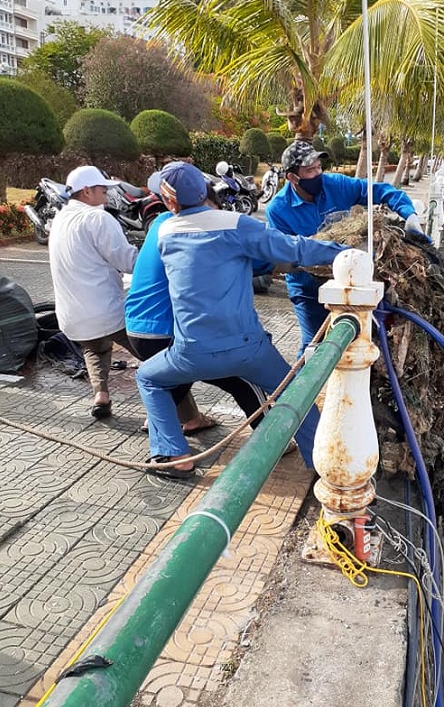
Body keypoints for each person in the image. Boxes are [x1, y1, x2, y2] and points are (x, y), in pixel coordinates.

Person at [135, 162, 350, 478]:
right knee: (296, 393)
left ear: (170, 202)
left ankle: (174, 455)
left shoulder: (165, 232)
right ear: (207, 190)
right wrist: (343, 252)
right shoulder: (237, 224)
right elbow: (294, 249)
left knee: (149, 378)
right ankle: (324, 465)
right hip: (249, 350)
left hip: (189, 354)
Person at [125, 174, 270, 435]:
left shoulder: (161, 224)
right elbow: (255, 259)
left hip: (137, 328)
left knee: (173, 377)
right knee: (242, 375)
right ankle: (273, 436)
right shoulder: (194, 231)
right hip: (166, 331)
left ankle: (175, 421)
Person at [265, 140, 428, 355]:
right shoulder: (278, 209)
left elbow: (380, 190)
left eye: (318, 167)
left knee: (360, 336)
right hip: (307, 288)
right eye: (309, 170)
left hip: (349, 278)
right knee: (314, 344)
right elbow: (286, 254)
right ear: (292, 177)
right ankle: (301, 384)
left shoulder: (335, 185)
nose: (317, 173)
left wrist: (409, 214)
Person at [49, 165, 138, 418]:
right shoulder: (98, 218)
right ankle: (189, 417)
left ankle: (101, 395)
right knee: (155, 356)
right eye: (102, 189)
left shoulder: (60, 219)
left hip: (71, 318)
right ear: (86, 191)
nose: (106, 195)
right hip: (106, 313)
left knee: (95, 348)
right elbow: (127, 260)